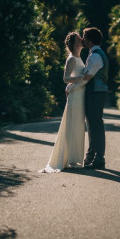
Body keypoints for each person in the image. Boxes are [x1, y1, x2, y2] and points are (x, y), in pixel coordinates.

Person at [39, 32, 87, 173]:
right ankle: (65, 158)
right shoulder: (71, 59)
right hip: (74, 97)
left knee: (77, 126)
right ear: (74, 43)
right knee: (71, 126)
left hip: (79, 95)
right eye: (79, 38)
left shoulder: (79, 58)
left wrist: (79, 79)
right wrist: (81, 77)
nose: (82, 39)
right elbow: (66, 79)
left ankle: (74, 158)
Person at [67, 27, 108, 169]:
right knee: (92, 124)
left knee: (95, 124)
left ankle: (99, 159)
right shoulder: (94, 54)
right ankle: (91, 155)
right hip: (95, 92)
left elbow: (86, 78)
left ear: (90, 41)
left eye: (84, 37)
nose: (82, 39)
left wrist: (70, 87)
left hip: (96, 92)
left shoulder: (95, 56)